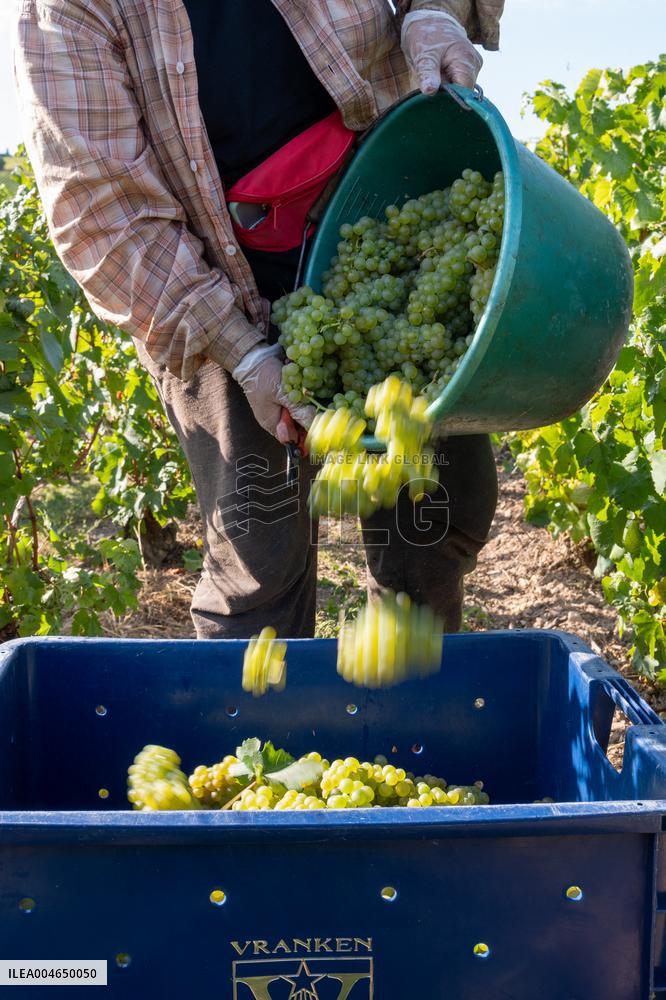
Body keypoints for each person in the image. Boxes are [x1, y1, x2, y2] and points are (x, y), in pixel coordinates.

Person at [14, 0, 504, 640]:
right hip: (208, 286)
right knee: (258, 563)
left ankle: (409, 718)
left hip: (393, 241)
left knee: (431, 523)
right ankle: (259, 734)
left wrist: (432, 12)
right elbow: (103, 213)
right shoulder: (63, 10)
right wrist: (245, 354)